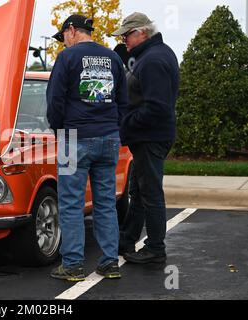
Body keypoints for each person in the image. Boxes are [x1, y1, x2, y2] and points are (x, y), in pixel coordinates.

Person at [47, 14, 128, 281]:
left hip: (74, 138)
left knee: (71, 203)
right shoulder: (113, 58)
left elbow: (55, 100)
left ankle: (73, 265)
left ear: (72, 30)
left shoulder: (67, 58)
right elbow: (123, 100)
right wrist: (112, 126)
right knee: (105, 203)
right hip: (108, 138)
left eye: (64, 38)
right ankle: (109, 263)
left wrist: (61, 129)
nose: (64, 44)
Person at [111, 13, 180, 264]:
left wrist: (127, 122)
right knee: (139, 192)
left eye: (127, 35)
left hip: (151, 137)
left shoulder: (152, 60)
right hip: (149, 136)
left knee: (150, 193)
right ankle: (127, 239)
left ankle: (155, 249)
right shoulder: (153, 55)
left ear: (142, 32)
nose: (124, 41)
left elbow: (157, 107)